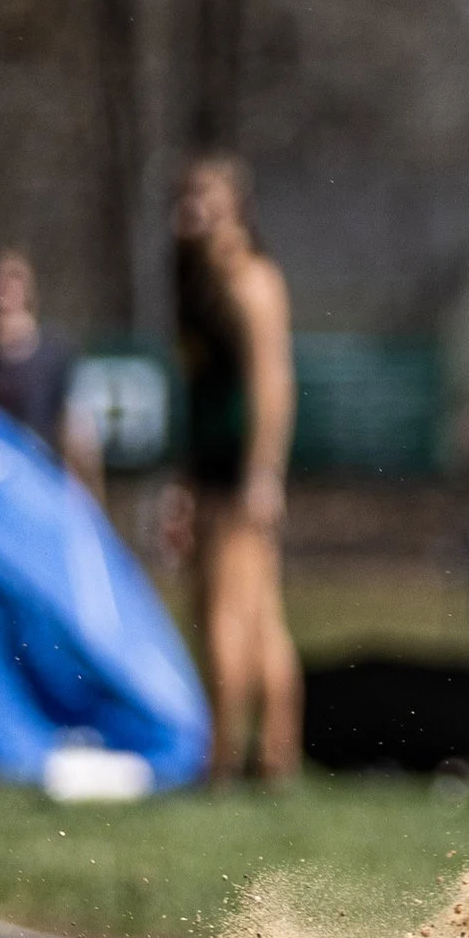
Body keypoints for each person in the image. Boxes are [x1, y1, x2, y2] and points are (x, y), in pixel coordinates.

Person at [169, 151, 301, 785]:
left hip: (241, 473)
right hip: (210, 467)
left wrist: (263, 472)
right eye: (185, 195)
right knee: (243, 610)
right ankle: (265, 756)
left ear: (236, 208)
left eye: (205, 196)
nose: (190, 209)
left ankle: (229, 757)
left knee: (232, 610)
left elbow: (272, 382)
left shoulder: (252, 283)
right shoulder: (196, 283)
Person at [0, 248, 103, 494]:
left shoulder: (55, 356)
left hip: (40, 483)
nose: (0, 295)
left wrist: (86, 497)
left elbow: (78, 436)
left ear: (26, 291)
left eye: (9, 285)